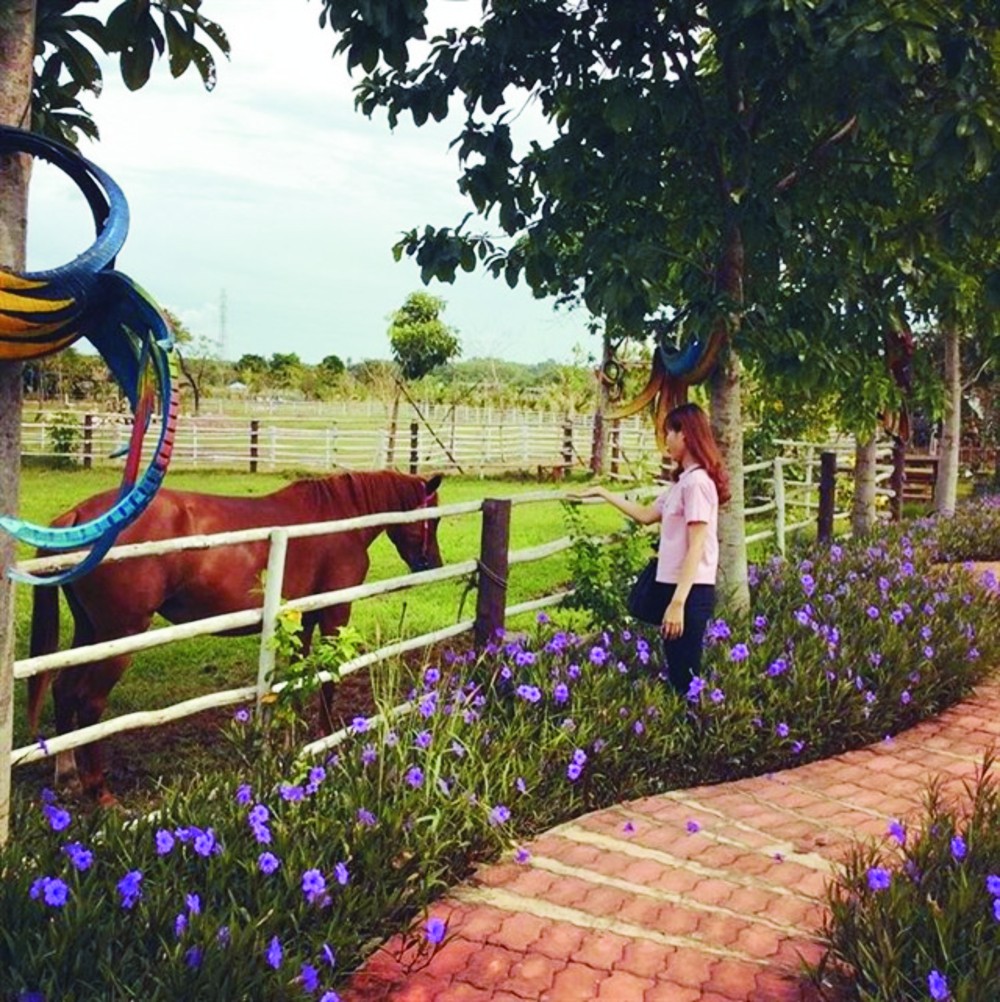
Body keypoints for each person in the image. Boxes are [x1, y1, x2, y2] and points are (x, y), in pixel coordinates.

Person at [571, 402, 731, 695]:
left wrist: (678, 603)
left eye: (670, 433)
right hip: (677, 588)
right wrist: (603, 492)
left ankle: (697, 733)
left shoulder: (696, 484)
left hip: (689, 591)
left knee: (686, 677)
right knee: (678, 673)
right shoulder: (682, 483)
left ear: (686, 435)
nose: (667, 441)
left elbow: (697, 546)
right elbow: (646, 515)